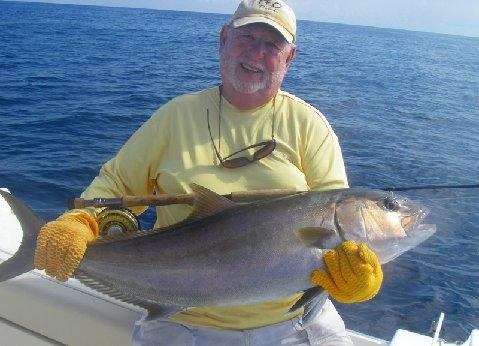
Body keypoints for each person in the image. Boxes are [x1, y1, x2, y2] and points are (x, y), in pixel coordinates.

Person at [34, 0, 383, 345]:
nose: (256, 54)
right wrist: (80, 222)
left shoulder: (309, 126)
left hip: (293, 324)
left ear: (289, 57)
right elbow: (116, 184)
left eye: (271, 44)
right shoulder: (175, 116)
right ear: (223, 40)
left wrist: (357, 275)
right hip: (182, 322)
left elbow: (337, 211)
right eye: (247, 38)